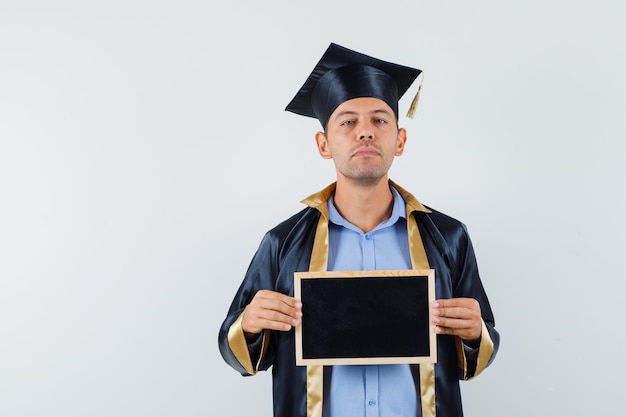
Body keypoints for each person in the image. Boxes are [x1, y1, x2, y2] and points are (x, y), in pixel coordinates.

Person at [218, 42, 500, 417]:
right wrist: (250, 325)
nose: (365, 132)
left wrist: (474, 333)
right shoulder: (283, 243)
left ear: (400, 140)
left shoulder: (448, 238)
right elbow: (238, 353)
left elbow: (482, 345)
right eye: (348, 121)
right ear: (323, 144)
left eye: (380, 120)